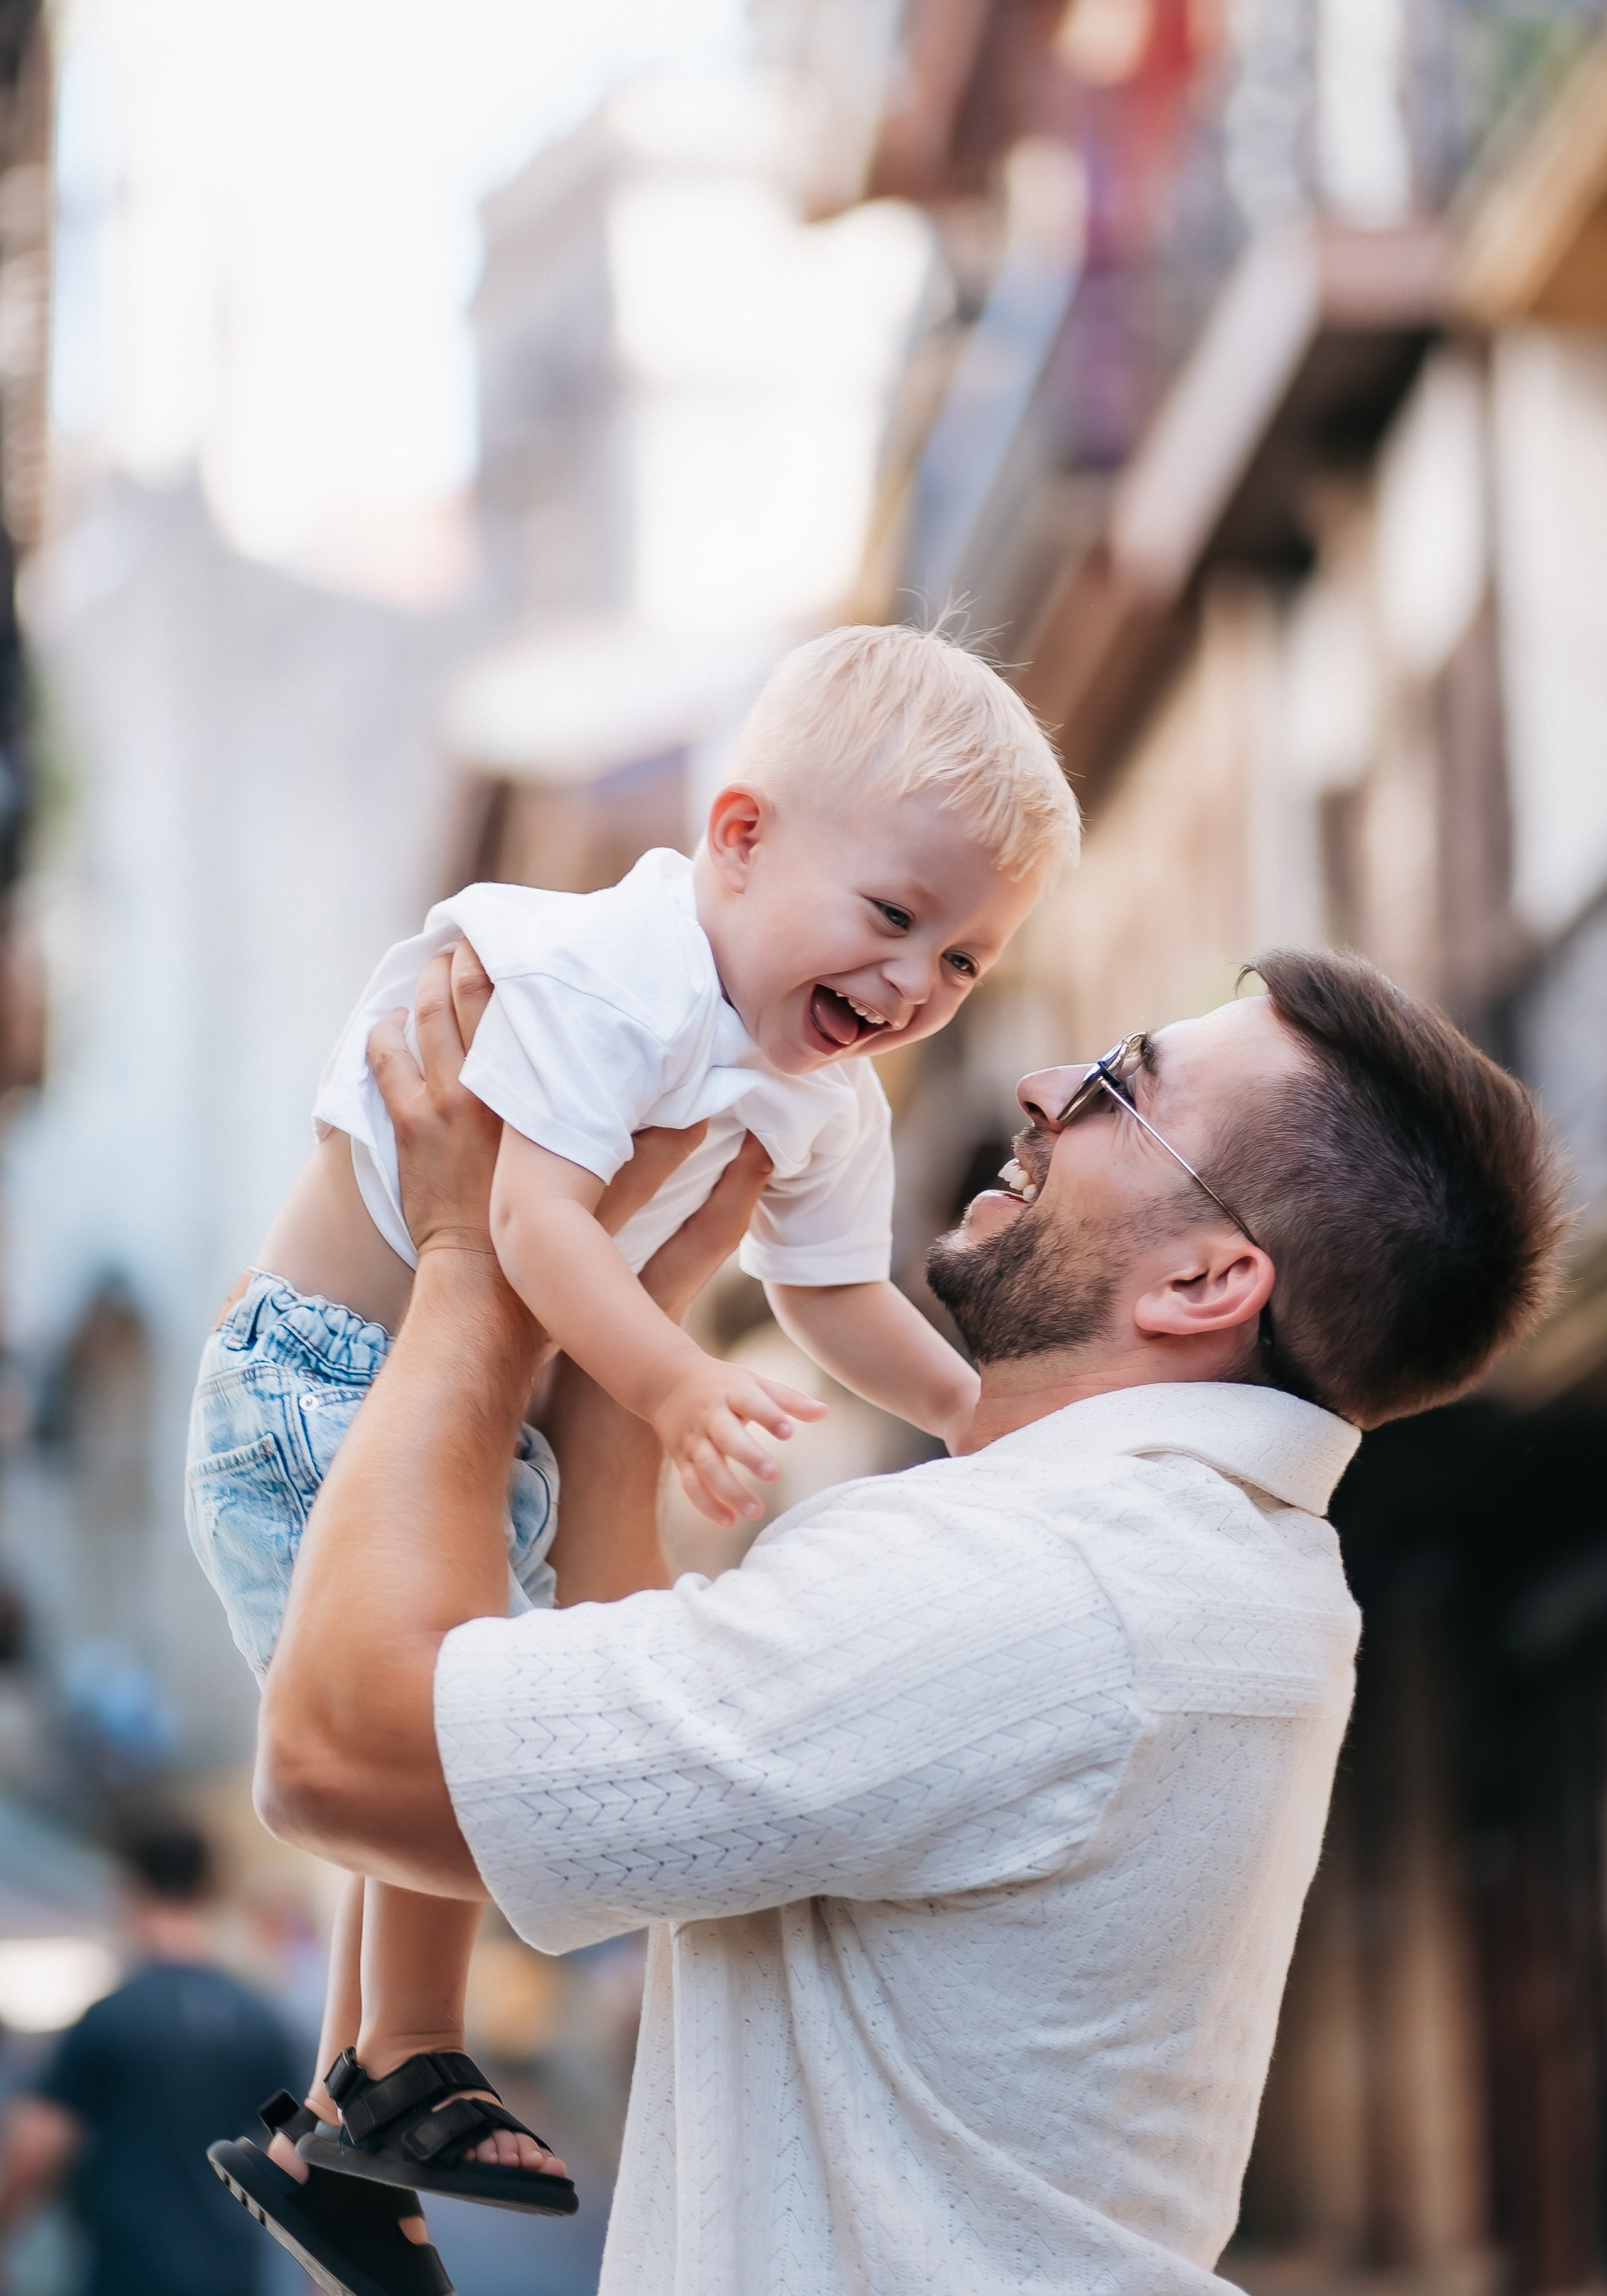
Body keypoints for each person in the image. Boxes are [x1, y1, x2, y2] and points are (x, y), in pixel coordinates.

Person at [237, 938, 1564, 2296]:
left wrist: (474, 1256)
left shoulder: (1041, 1582)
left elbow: (343, 1754)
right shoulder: (1200, 1563)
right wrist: (623, 1343)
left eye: (1121, 1085)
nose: (1045, 1085)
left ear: (1203, 1284)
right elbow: (659, 1781)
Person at [186, 621, 1080, 2228]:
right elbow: (523, 1223)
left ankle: (340, 2128)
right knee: (445, 1727)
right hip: (319, 1382)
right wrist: (671, 1385)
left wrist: (975, 1410)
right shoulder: (615, 977)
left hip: (470, 1415)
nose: (909, 987)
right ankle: (399, 2064)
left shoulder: (823, 1092)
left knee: (468, 1707)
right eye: (890, 916)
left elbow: (832, 1292)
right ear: (736, 839)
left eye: (962, 961)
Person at [0, 1821, 299, 2296]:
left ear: (128, 1889)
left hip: (128, 2276)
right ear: (208, 1890)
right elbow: (300, 2157)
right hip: (232, 2278)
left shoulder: (110, 2017)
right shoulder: (261, 2020)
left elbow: (39, 2143)